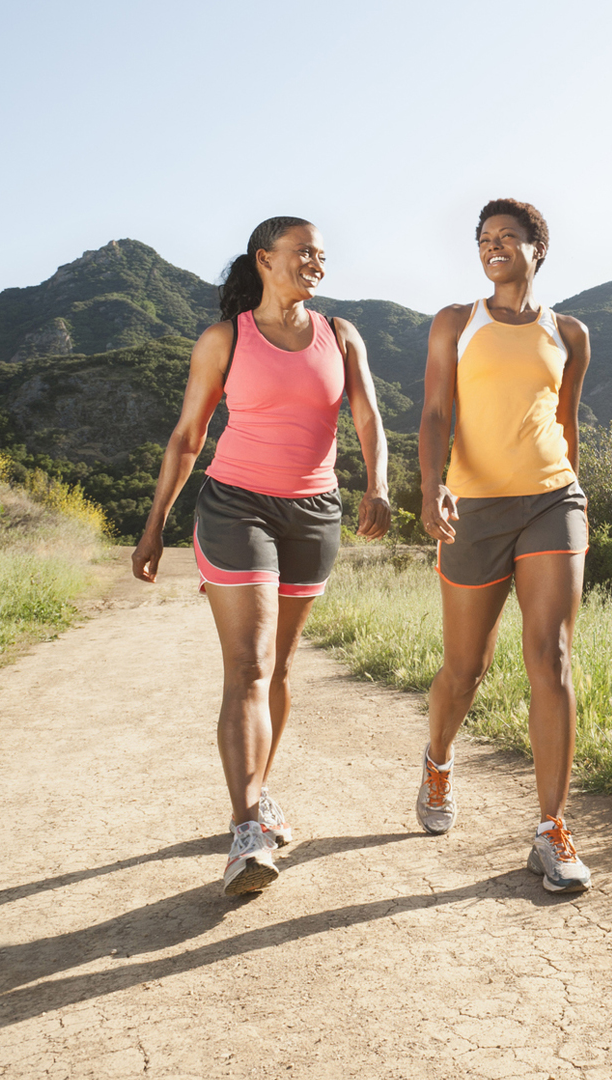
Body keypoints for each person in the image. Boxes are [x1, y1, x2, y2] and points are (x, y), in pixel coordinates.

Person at [131, 216, 391, 896]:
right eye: (304, 252)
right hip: (235, 505)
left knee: (277, 668)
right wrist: (154, 523)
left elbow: (367, 416)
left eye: (323, 256)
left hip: (313, 511)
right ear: (264, 259)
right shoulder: (226, 339)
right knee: (248, 664)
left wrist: (380, 485)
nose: (317, 264)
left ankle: (259, 790)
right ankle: (247, 827)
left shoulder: (340, 335)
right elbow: (189, 436)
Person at [416, 198, 594, 893]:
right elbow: (434, 413)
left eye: (507, 239)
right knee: (464, 670)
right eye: (484, 239)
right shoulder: (455, 324)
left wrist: (577, 496)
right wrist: (431, 487)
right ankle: (437, 758)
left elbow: (568, 423)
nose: (493, 247)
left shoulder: (570, 333)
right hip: (473, 508)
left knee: (550, 655)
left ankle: (551, 829)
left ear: (536, 249)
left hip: (553, 499)